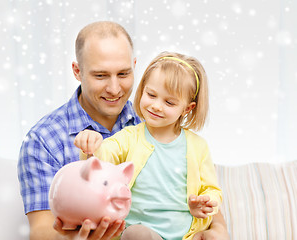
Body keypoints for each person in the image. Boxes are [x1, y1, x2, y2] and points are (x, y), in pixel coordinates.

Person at [18, 21, 229, 240]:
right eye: (100, 75)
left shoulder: (155, 120)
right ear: (77, 71)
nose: (114, 88)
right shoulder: (42, 139)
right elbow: (42, 231)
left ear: (135, 66)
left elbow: (201, 194)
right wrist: (76, 238)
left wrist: (218, 231)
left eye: (123, 74)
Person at [74, 51, 222, 240]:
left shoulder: (198, 146)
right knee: (137, 234)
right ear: (142, 90)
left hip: (186, 235)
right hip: (140, 233)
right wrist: (90, 144)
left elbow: (212, 189)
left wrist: (206, 202)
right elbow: (102, 158)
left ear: (187, 109)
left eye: (169, 102)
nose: (156, 106)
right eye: (151, 95)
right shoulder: (129, 137)